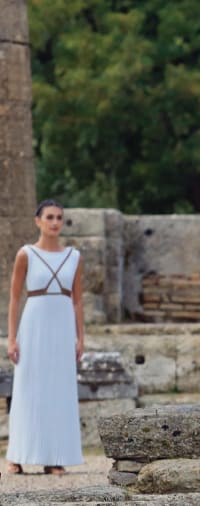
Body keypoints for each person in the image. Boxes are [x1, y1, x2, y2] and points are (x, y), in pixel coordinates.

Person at [6, 199, 85, 476]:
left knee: (59, 390)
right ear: (38, 221)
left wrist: (80, 338)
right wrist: (11, 338)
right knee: (28, 388)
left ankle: (54, 458)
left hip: (62, 327)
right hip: (33, 326)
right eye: (49, 217)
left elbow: (77, 301)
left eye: (59, 218)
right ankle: (16, 456)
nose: (55, 223)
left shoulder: (73, 257)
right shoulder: (25, 254)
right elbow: (15, 298)